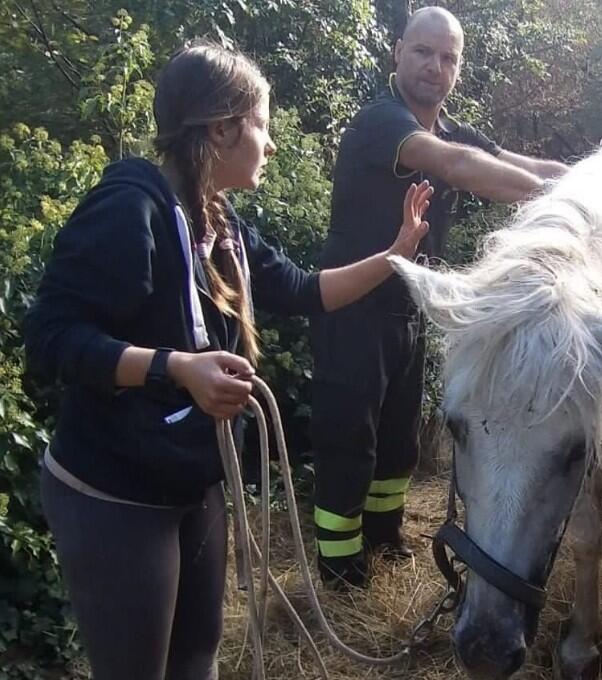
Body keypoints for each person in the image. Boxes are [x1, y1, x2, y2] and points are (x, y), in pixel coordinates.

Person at [22, 42, 433, 680]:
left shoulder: (220, 224)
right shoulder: (131, 211)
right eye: (263, 126)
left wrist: (397, 254)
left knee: (198, 657)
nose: (270, 146)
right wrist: (175, 368)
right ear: (221, 128)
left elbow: (304, 290)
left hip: (191, 479)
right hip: (115, 490)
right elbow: (50, 340)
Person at [309, 6, 568, 588]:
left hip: (408, 309)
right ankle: (339, 568)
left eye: (448, 57)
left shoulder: (453, 130)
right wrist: (568, 201)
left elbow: (516, 163)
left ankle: (383, 539)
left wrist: (594, 180)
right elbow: (457, 166)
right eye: (424, 52)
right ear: (398, 52)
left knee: (399, 437)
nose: (435, 66)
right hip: (352, 308)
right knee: (350, 436)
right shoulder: (384, 122)